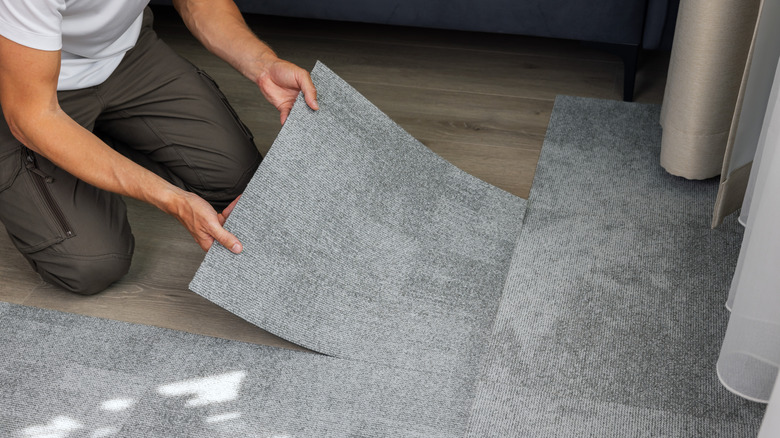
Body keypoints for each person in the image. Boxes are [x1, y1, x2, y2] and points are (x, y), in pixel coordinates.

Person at [0, 1, 319, 294]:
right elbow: (34, 116)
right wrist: (172, 199)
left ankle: (98, 144)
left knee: (239, 184)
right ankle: (82, 149)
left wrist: (264, 65)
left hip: (125, 57)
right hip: (27, 90)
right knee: (92, 263)